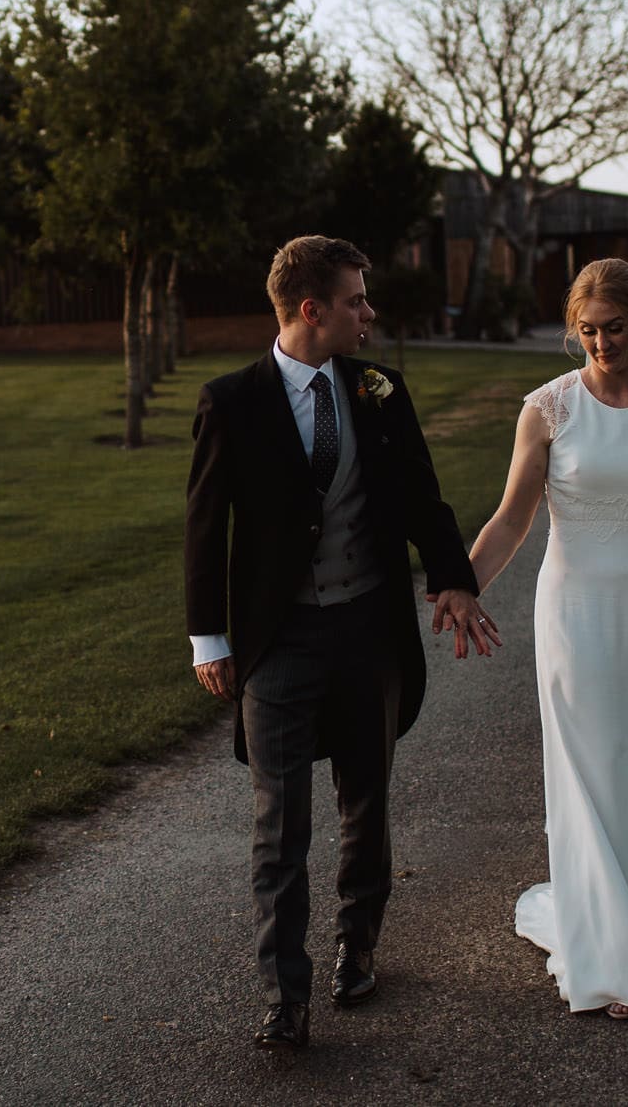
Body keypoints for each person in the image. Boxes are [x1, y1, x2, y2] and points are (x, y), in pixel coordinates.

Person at [184, 235, 499, 1051]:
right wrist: (207, 639)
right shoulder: (232, 401)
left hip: (369, 630)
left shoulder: (382, 390)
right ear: (312, 309)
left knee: (368, 803)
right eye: (358, 299)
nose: (372, 312)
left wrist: (454, 577)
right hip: (278, 643)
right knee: (279, 825)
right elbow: (203, 530)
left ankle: (357, 947)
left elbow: (423, 495)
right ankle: (284, 995)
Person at [460, 257, 628, 1018]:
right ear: (572, 329)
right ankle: (614, 953)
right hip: (574, 611)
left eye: (615, 328)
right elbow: (512, 517)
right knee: (591, 763)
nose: (602, 343)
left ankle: (626, 902)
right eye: (588, 330)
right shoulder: (547, 409)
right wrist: (457, 584)